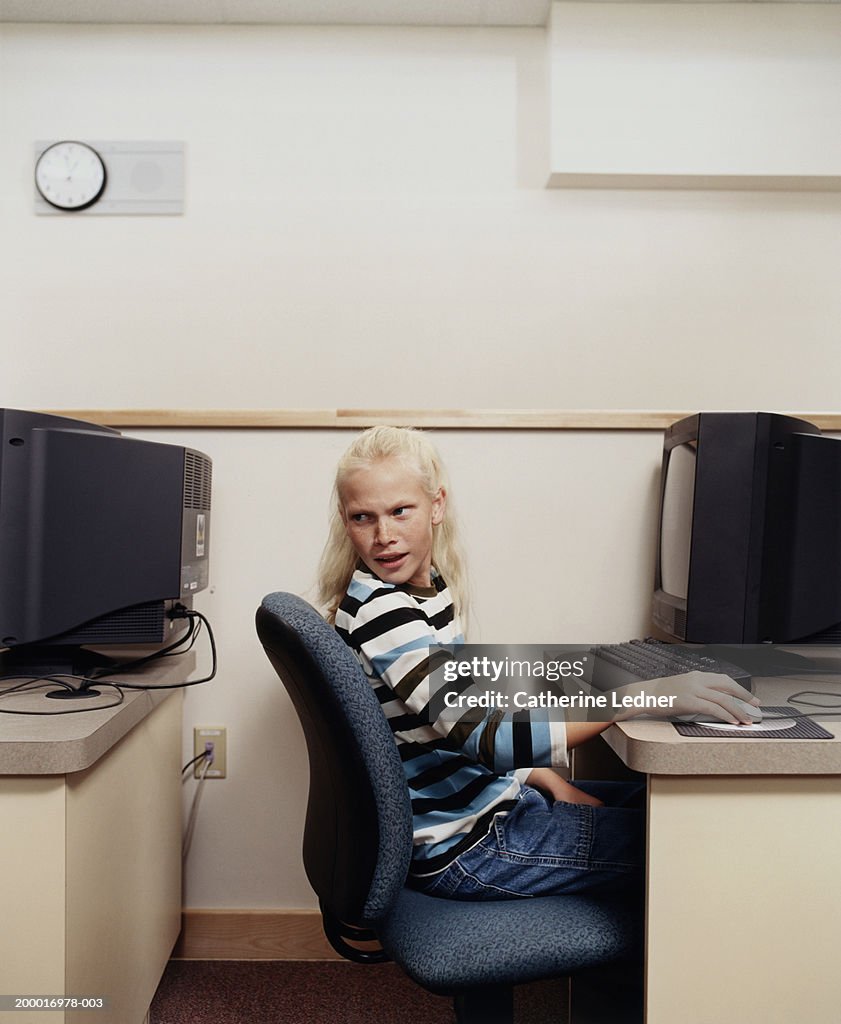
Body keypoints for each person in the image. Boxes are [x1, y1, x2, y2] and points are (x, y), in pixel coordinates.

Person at [317, 425, 759, 902]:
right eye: (364, 518)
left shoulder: (422, 589)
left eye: (400, 511)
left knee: (689, 812)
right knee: (699, 841)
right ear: (346, 521)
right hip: (467, 847)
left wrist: (542, 780)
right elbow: (489, 736)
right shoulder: (386, 613)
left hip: (490, 813)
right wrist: (643, 696)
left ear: (436, 505)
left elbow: (458, 724)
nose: (384, 536)